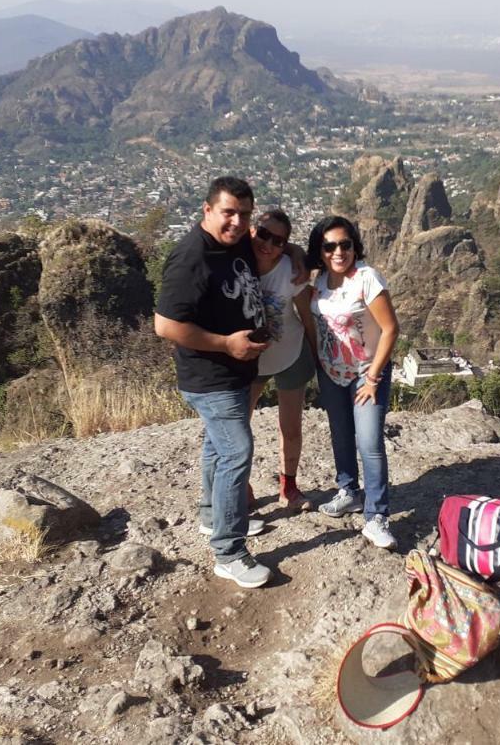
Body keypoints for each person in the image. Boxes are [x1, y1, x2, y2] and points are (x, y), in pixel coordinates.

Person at [154, 176, 272, 588]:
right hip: (210, 376)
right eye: (228, 213)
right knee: (237, 453)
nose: (237, 222)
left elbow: (265, 243)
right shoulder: (191, 258)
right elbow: (166, 325)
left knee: (216, 447)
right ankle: (229, 551)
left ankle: (212, 516)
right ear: (207, 210)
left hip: (235, 372)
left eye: (243, 214)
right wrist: (226, 344)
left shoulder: (234, 241)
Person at [303, 216, 400, 550]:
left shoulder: (367, 278)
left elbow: (390, 329)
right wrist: (319, 365)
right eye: (329, 246)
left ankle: (376, 516)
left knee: (369, 442)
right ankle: (349, 491)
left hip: (365, 372)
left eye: (345, 244)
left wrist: (373, 377)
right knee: (341, 435)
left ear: (355, 245)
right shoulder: (318, 282)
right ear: (320, 250)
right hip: (331, 373)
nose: (338, 251)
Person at [248, 209, 316, 512]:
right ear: (252, 230)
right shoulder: (237, 263)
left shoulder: (291, 271)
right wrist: (292, 246)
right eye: (263, 234)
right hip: (250, 361)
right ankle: (240, 485)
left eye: (278, 241)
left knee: (290, 427)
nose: (269, 244)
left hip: (292, 352)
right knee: (238, 427)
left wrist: (317, 353)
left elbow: (307, 315)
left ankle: (288, 485)